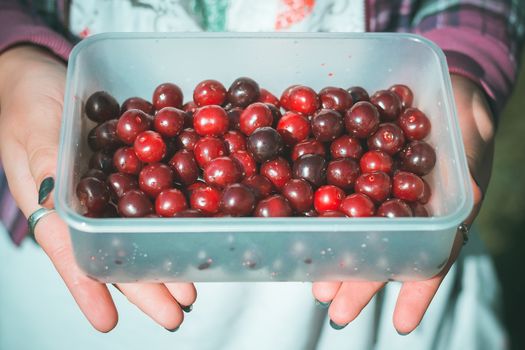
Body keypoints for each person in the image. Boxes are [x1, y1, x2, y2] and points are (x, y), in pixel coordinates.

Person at [0, 1, 522, 349]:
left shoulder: (291, 150)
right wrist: (15, 59)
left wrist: (460, 72)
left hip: (370, 254)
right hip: (91, 265)